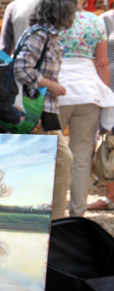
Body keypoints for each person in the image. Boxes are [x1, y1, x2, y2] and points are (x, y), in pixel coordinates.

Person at [12, 0, 77, 221]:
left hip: (44, 110)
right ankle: (56, 220)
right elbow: (20, 68)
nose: (75, 14)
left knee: (46, 162)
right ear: (61, 12)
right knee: (62, 159)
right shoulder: (40, 35)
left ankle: (46, 218)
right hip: (35, 111)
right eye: (72, 10)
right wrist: (51, 85)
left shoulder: (47, 36)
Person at [57, 0, 114, 217]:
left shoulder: (53, 20)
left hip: (57, 90)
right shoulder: (93, 21)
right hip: (88, 91)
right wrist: (105, 94)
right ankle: (77, 214)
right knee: (81, 157)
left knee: (53, 152)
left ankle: (54, 213)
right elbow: (102, 62)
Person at [88, 8, 114, 211]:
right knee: (109, 143)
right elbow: (97, 58)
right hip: (109, 88)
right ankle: (111, 196)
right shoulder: (103, 20)